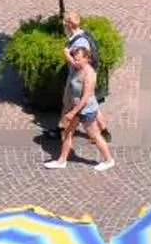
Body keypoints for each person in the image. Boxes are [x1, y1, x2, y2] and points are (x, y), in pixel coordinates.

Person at [46, 43, 114, 171]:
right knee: (67, 133)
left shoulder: (89, 74)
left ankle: (109, 160)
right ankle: (62, 161)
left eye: (78, 59)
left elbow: (85, 97)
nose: (75, 61)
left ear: (87, 58)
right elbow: (69, 58)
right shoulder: (78, 66)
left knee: (95, 136)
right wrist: (67, 53)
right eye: (75, 59)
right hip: (76, 108)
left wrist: (72, 113)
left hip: (86, 110)